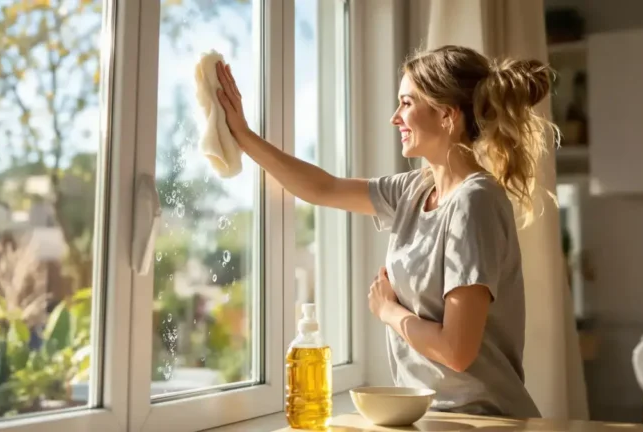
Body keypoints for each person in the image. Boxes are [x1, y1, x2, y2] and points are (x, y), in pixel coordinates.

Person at [214, 44, 555, 418]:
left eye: (407, 103)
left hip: (485, 419)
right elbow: (324, 188)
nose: (395, 118)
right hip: (432, 416)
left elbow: (456, 351)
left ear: (447, 114)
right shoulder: (415, 189)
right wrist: (243, 136)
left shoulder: (475, 203)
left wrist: (387, 310)